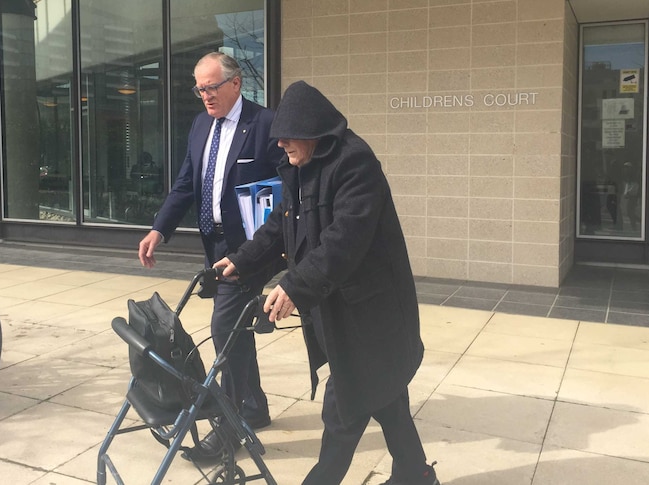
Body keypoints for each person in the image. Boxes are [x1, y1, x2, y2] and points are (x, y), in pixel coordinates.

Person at [214, 81, 440, 485]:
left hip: (371, 313)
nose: (280, 145)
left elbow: (344, 241)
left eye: (286, 138)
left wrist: (294, 286)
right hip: (337, 307)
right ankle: (416, 474)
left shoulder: (355, 162)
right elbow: (279, 225)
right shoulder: (300, 166)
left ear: (312, 130)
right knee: (386, 396)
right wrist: (240, 259)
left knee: (344, 409)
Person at [137, 52, 283, 460]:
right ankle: (254, 407)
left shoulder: (265, 124)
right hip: (214, 244)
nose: (204, 95)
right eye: (199, 88)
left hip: (253, 247)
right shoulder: (202, 125)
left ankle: (229, 427)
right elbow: (187, 182)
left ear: (235, 83)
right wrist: (159, 228)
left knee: (223, 330)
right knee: (235, 327)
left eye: (211, 87)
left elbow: (286, 191)